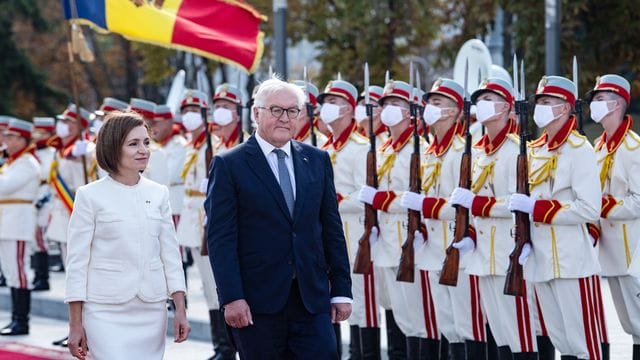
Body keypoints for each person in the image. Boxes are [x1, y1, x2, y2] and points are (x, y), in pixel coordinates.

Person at [205, 77, 352, 359]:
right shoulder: (230, 165)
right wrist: (232, 297)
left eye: (292, 110)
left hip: (311, 298)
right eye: (276, 110)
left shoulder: (317, 160)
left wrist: (342, 289)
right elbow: (221, 238)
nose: (285, 118)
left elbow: (331, 229)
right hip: (258, 303)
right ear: (256, 113)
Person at [65, 111, 189, 360]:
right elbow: (77, 263)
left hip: (151, 309)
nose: (143, 150)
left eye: (145, 142)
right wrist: (75, 324)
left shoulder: (159, 193)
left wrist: (180, 308)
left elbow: (170, 255)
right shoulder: (89, 196)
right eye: (133, 144)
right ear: (113, 148)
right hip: (104, 309)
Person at [508, 75, 602, 360]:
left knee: (585, 345)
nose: (542, 107)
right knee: (562, 342)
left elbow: (589, 209)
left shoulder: (579, 150)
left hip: (572, 261)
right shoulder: (534, 150)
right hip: (541, 261)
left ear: (565, 108)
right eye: (540, 101)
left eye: (548, 102)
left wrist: (537, 209)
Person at [449, 78, 538, 359]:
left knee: (520, 334)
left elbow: (516, 203)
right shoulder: (477, 152)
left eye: (490, 99)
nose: (483, 104)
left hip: (507, 252)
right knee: (500, 333)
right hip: (482, 256)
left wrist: (478, 204)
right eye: (481, 99)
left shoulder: (516, 150)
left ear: (505, 107)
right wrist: (469, 235)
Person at [358, 79, 432, 359]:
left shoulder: (421, 150)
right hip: (386, 241)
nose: (388, 109)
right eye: (385, 104)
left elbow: (417, 196)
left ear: (411, 111)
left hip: (409, 241)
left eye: (395, 104)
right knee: (399, 313)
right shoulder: (383, 148)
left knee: (418, 317)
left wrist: (381, 200)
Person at [317, 79, 376, 358]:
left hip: (354, 236)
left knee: (361, 307)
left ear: (350, 109)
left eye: (333, 102)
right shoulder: (324, 147)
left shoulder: (360, 147)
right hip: (326, 237)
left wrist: (330, 202)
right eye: (325, 101)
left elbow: (366, 195)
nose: (326, 107)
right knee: (330, 304)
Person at [590, 74, 640, 358]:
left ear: (617, 103)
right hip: (609, 251)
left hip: (632, 250)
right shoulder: (598, 147)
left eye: (600, 98)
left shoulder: (634, 149)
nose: (594, 104)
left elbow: (639, 201)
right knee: (628, 323)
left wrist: (602, 205)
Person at [0, 118, 41, 336]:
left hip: (18, 220)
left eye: (12, 137)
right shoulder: (12, 161)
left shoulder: (27, 162)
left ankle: (22, 321)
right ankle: (15, 318)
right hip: (7, 220)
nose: (7, 140)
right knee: (10, 271)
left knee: (19, 270)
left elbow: (5, 186)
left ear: (23, 139)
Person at [31, 117, 57, 291]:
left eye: (41, 132)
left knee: (40, 239)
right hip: (32, 199)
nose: (36, 135)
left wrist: (42, 198)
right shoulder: (33, 153)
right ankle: (38, 275)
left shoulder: (52, 153)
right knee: (34, 239)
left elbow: (49, 179)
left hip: (45, 199)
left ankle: (43, 277)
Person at [292, 80, 327, 146]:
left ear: (311, 108)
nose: (292, 105)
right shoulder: (283, 137)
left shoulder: (320, 142)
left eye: (299, 102)